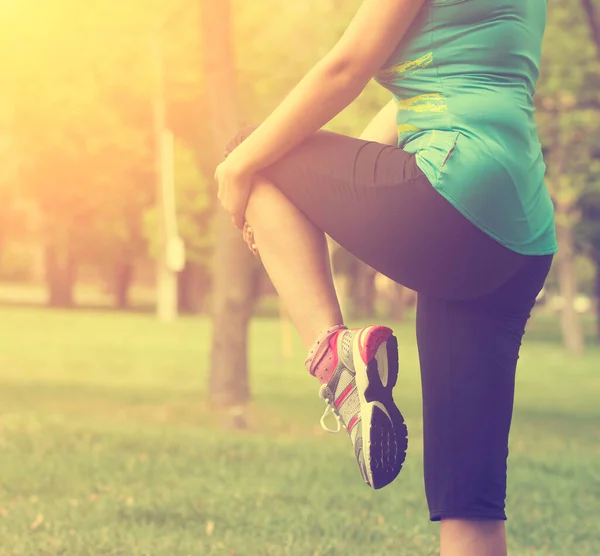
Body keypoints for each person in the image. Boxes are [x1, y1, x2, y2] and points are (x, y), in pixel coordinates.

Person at [214, 1, 557, 555]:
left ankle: (336, 360)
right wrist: (317, 212)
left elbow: (345, 67)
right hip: (520, 235)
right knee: (470, 505)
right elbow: (417, 103)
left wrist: (237, 167)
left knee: (253, 152)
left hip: (454, 191)